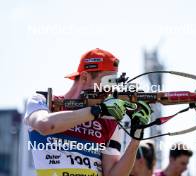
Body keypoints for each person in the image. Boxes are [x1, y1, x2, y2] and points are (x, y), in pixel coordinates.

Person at [24, 48, 152, 176]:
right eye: (106, 82)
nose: (108, 91)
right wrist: (97, 111)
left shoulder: (108, 119)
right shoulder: (43, 100)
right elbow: (45, 125)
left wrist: (135, 140)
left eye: (113, 83)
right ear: (85, 77)